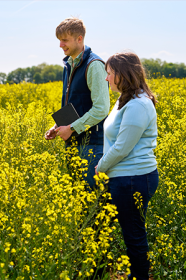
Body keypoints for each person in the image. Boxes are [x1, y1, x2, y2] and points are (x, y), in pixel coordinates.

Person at [95, 51, 159, 280]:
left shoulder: (138, 105)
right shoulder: (125, 100)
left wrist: (100, 167)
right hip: (126, 177)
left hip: (133, 178)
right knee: (131, 233)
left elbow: (122, 147)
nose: (106, 78)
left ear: (123, 74)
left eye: (110, 73)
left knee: (134, 236)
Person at [45, 17, 110, 189]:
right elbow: (75, 104)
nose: (60, 45)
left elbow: (101, 109)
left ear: (79, 39)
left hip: (92, 146)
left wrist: (71, 128)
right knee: (80, 203)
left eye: (64, 40)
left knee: (94, 203)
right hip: (74, 144)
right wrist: (58, 126)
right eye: (59, 40)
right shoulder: (69, 65)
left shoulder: (94, 65)